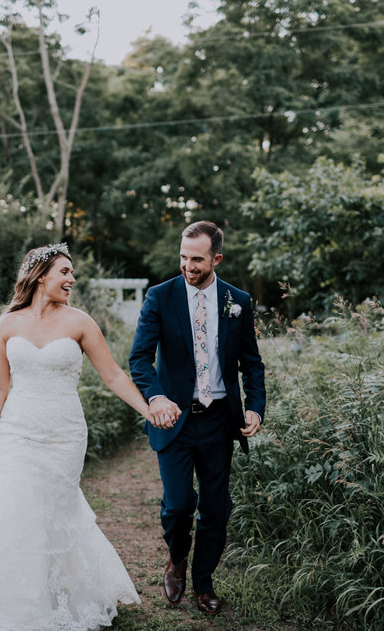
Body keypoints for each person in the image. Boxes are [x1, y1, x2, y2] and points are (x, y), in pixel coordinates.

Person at [0, 243, 171, 631]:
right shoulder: (7, 325)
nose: (72, 279)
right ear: (41, 275)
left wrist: (147, 410)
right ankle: (17, 605)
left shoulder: (80, 322)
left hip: (64, 434)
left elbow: (112, 375)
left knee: (53, 514)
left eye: (72, 273)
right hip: (17, 433)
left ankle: (57, 599)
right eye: (65, 272)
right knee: (17, 511)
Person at [128, 220, 266, 616]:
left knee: (216, 507)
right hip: (173, 419)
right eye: (184, 257)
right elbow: (140, 358)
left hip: (221, 419)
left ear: (216, 258)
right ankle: (176, 560)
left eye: (197, 259)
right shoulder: (160, 296)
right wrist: (155, 397)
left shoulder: (237, 300)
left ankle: (203, 582)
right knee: (177, 505)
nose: (188, 265)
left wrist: (255, 405)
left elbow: (251, 363)